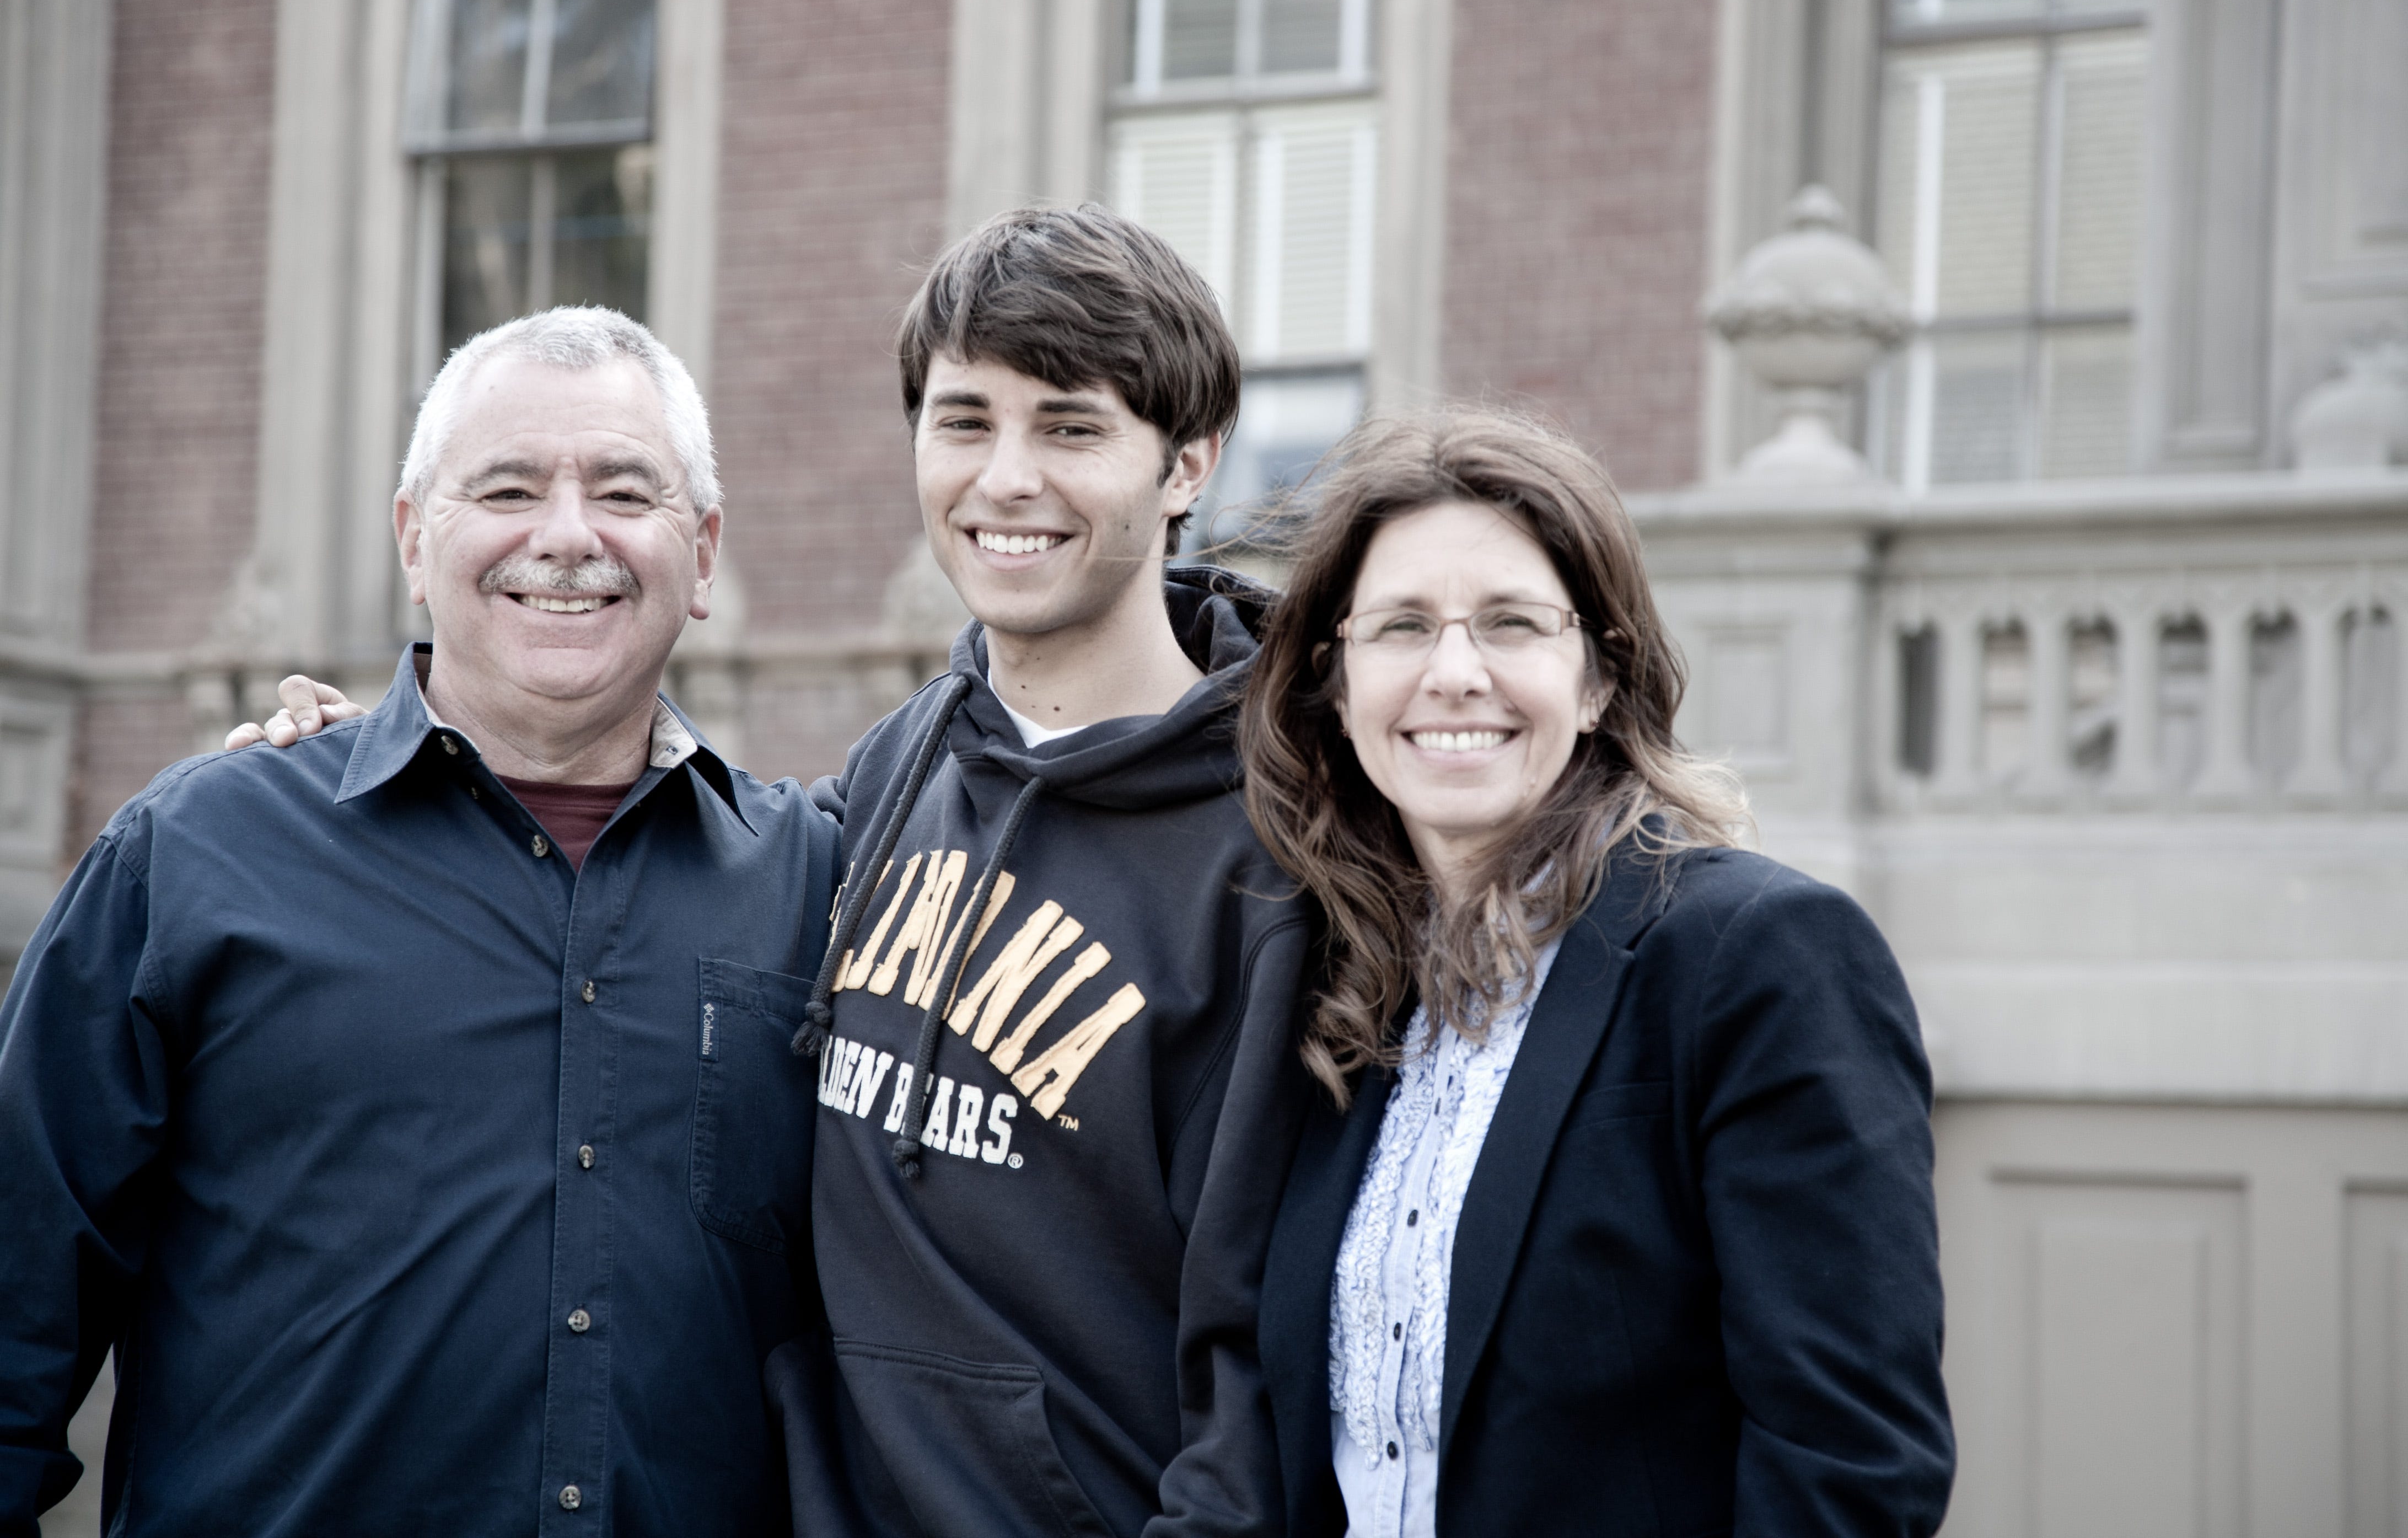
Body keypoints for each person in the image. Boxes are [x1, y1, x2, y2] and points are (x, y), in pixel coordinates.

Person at [234, 206, 1312, 1538]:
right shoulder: (893, 776)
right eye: (966, 421)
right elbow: (668, 844)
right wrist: (386, 758)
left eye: (1072, 427)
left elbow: (1263, 1369)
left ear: (1187, 463)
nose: (1007, 478)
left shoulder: (1282, 853)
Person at [0, 308, 835, 1536]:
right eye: (506, 488)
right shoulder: (196, 858)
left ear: (702, 554)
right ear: (413, 537)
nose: (566, 536)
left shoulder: (816, 884)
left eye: (624, 490)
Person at [1237, 411, 1954, 1536]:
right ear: (1334, 683)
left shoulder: (1759, 959)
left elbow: (1850, 1465)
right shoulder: (1330, 986)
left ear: (1600, 681)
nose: (1455, 673)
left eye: (1512, 623)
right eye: (1403, 626)